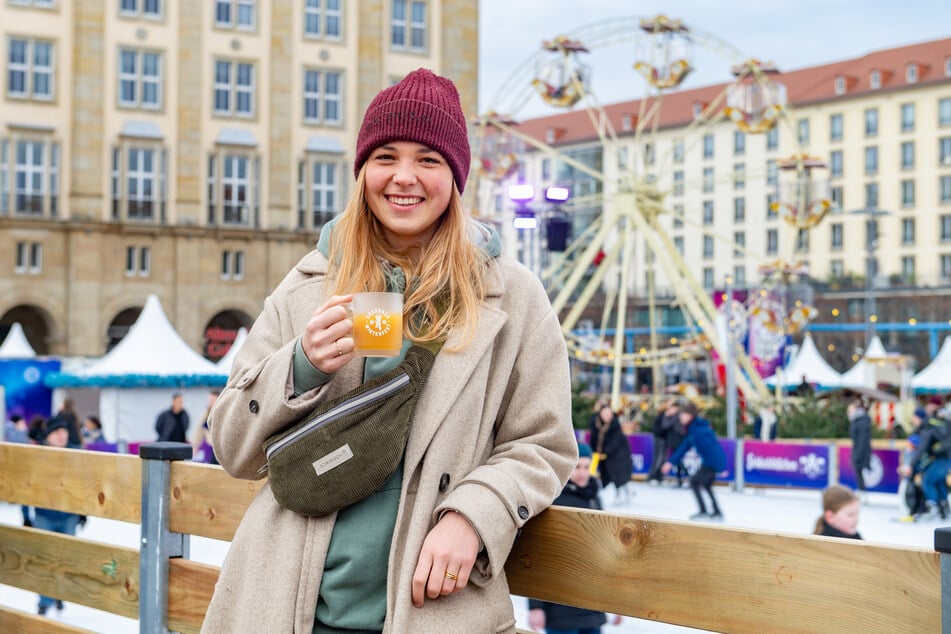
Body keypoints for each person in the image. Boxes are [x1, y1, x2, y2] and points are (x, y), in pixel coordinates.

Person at [202, 68, 578, 633]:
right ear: (362, 172)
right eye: (386, 157)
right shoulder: (308, 284)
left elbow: (543, 444)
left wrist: (475, 514)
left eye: (428, 159)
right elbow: (232, 447)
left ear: (455, 177)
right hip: (285, 604)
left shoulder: (514, 294)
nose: (404, 177)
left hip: (430, 610)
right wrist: (299, 367)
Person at [527, 443, 622, 634]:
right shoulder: (554, 499)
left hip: (591, 600)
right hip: (560, 603)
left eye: (587, 467)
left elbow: (604, 551)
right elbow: (540, 552)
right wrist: (536, 605)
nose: (583, 473)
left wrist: (615, 599)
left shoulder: (593, 496)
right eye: (577, 467)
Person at [33, 416, 86, 616]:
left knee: (66, 559)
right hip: (44, 514)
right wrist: (25, 514)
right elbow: (26, 484)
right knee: (45, 560)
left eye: (64, 431)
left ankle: (60, 595)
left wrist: (83, 513)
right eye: (57, 432)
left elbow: (84, 485)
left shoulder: (75, 454)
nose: (62, 436)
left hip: (68, 516)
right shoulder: (38, 454)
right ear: (48, 436)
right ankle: (44, 599)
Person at [662, 401, 726, 521]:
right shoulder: (694, 429)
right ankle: (716, 511)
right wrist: (671, 462)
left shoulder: (698, 431)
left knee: (694, 483)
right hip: (710, 463)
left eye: (683, 414)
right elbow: (685, 446)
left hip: (711, 463)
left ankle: (704, 511)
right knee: (705, 485)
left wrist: (720, 467)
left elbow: (713, 449)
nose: (680, 417)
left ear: (689, 416)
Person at [898, 407, 951, 520]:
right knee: (939, 481)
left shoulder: (927, 428)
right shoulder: (932, 426)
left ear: (920, 418)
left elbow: (921, 449)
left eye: (914, 417)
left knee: (928, 480)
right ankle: (944, 509)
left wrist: (911, 466)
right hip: (944, 457)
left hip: (943, 458)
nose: (913, 419)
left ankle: (934, 508)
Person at [588, 401, 634, 504]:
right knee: (608, 474)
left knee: (619, 474)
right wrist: (595, 451)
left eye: (609, 414)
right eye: (605, 414)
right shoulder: (595, 424)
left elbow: (615, 441)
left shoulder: (615, 425)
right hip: (604, 454)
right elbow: (593, 440)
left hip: (619, 453)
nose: (607, 416)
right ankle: (619, 492)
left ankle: (624, 492)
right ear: (600, 414)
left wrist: (605, 452)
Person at [647, 399, 678, 485]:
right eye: (669, 404)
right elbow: (662, 426)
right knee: (658, 458)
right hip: (659, 438)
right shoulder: (662, 414)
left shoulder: (672, 415)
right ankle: (652, 476)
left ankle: (659, 477)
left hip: (666, 439)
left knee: (663, 459)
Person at [847, 399, 873, 498]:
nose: (848, 413)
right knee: (858, 472)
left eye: (850, 410)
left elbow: (863, 441)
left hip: (861, 452)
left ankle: (863, 493)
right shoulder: (857, 421)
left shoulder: (862, 422)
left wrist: (858, 455)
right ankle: (862, 491)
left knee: (860, 471)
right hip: (858, 450)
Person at [191, 390, 220, 464]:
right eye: (209, 400)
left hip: (221, 448)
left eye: (212, 401)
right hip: (212, 448)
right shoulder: (207, 413)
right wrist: (195, 445)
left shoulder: (222, 413)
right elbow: (200, 429)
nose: (210, 403)